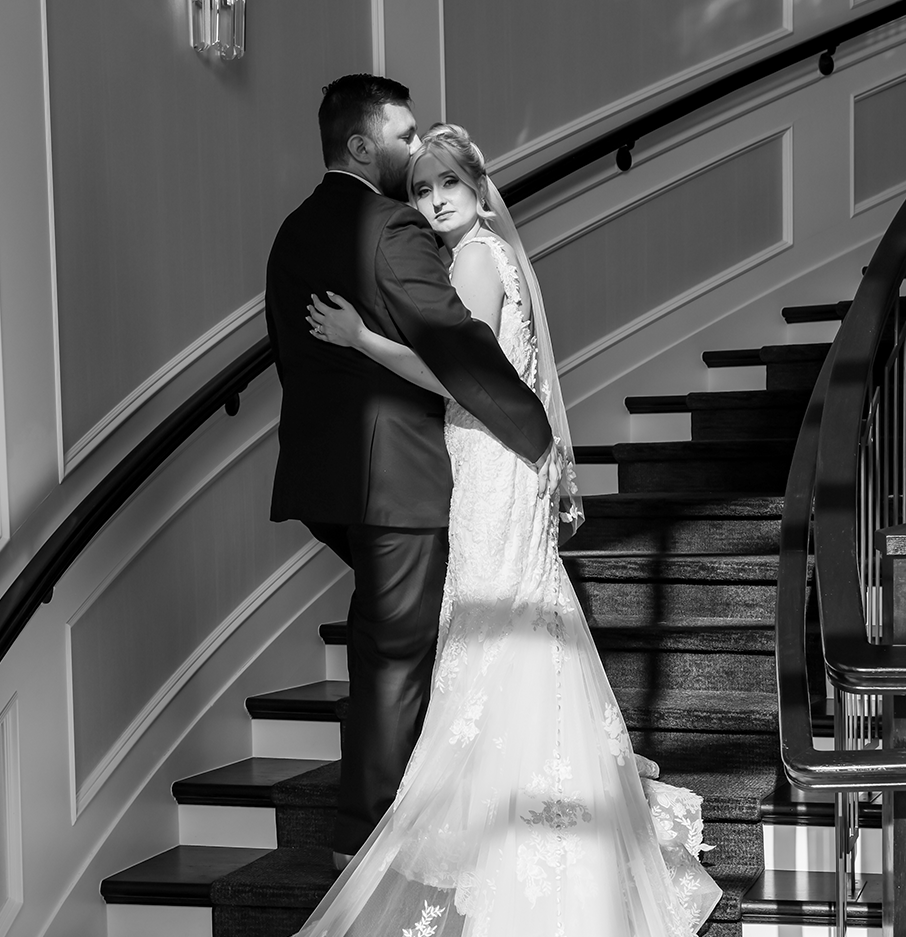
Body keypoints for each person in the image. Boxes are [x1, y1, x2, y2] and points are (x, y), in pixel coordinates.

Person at [295, 123, 723, 936]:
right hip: (498, 457)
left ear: (478, 183)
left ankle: (514, 809)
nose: (435, 199)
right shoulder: (496, 252)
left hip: (490, 458)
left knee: (493, 623)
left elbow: (460, 371)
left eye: (449, 183)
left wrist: (362, 339)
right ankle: (535, 792)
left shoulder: (475, 259)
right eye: (421, 189)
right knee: (513, 617)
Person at [265, 76, 558, 872]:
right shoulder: (391, 227)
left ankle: (432, 805)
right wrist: (534, 428)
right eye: (403, 136)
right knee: (395, 654)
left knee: (401, 641)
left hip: (333, 482)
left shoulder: (292, 233)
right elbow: (455, 344)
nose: (413, 148)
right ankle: (366, 840)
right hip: (400, 482)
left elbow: (296, 359)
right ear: (363, 145)